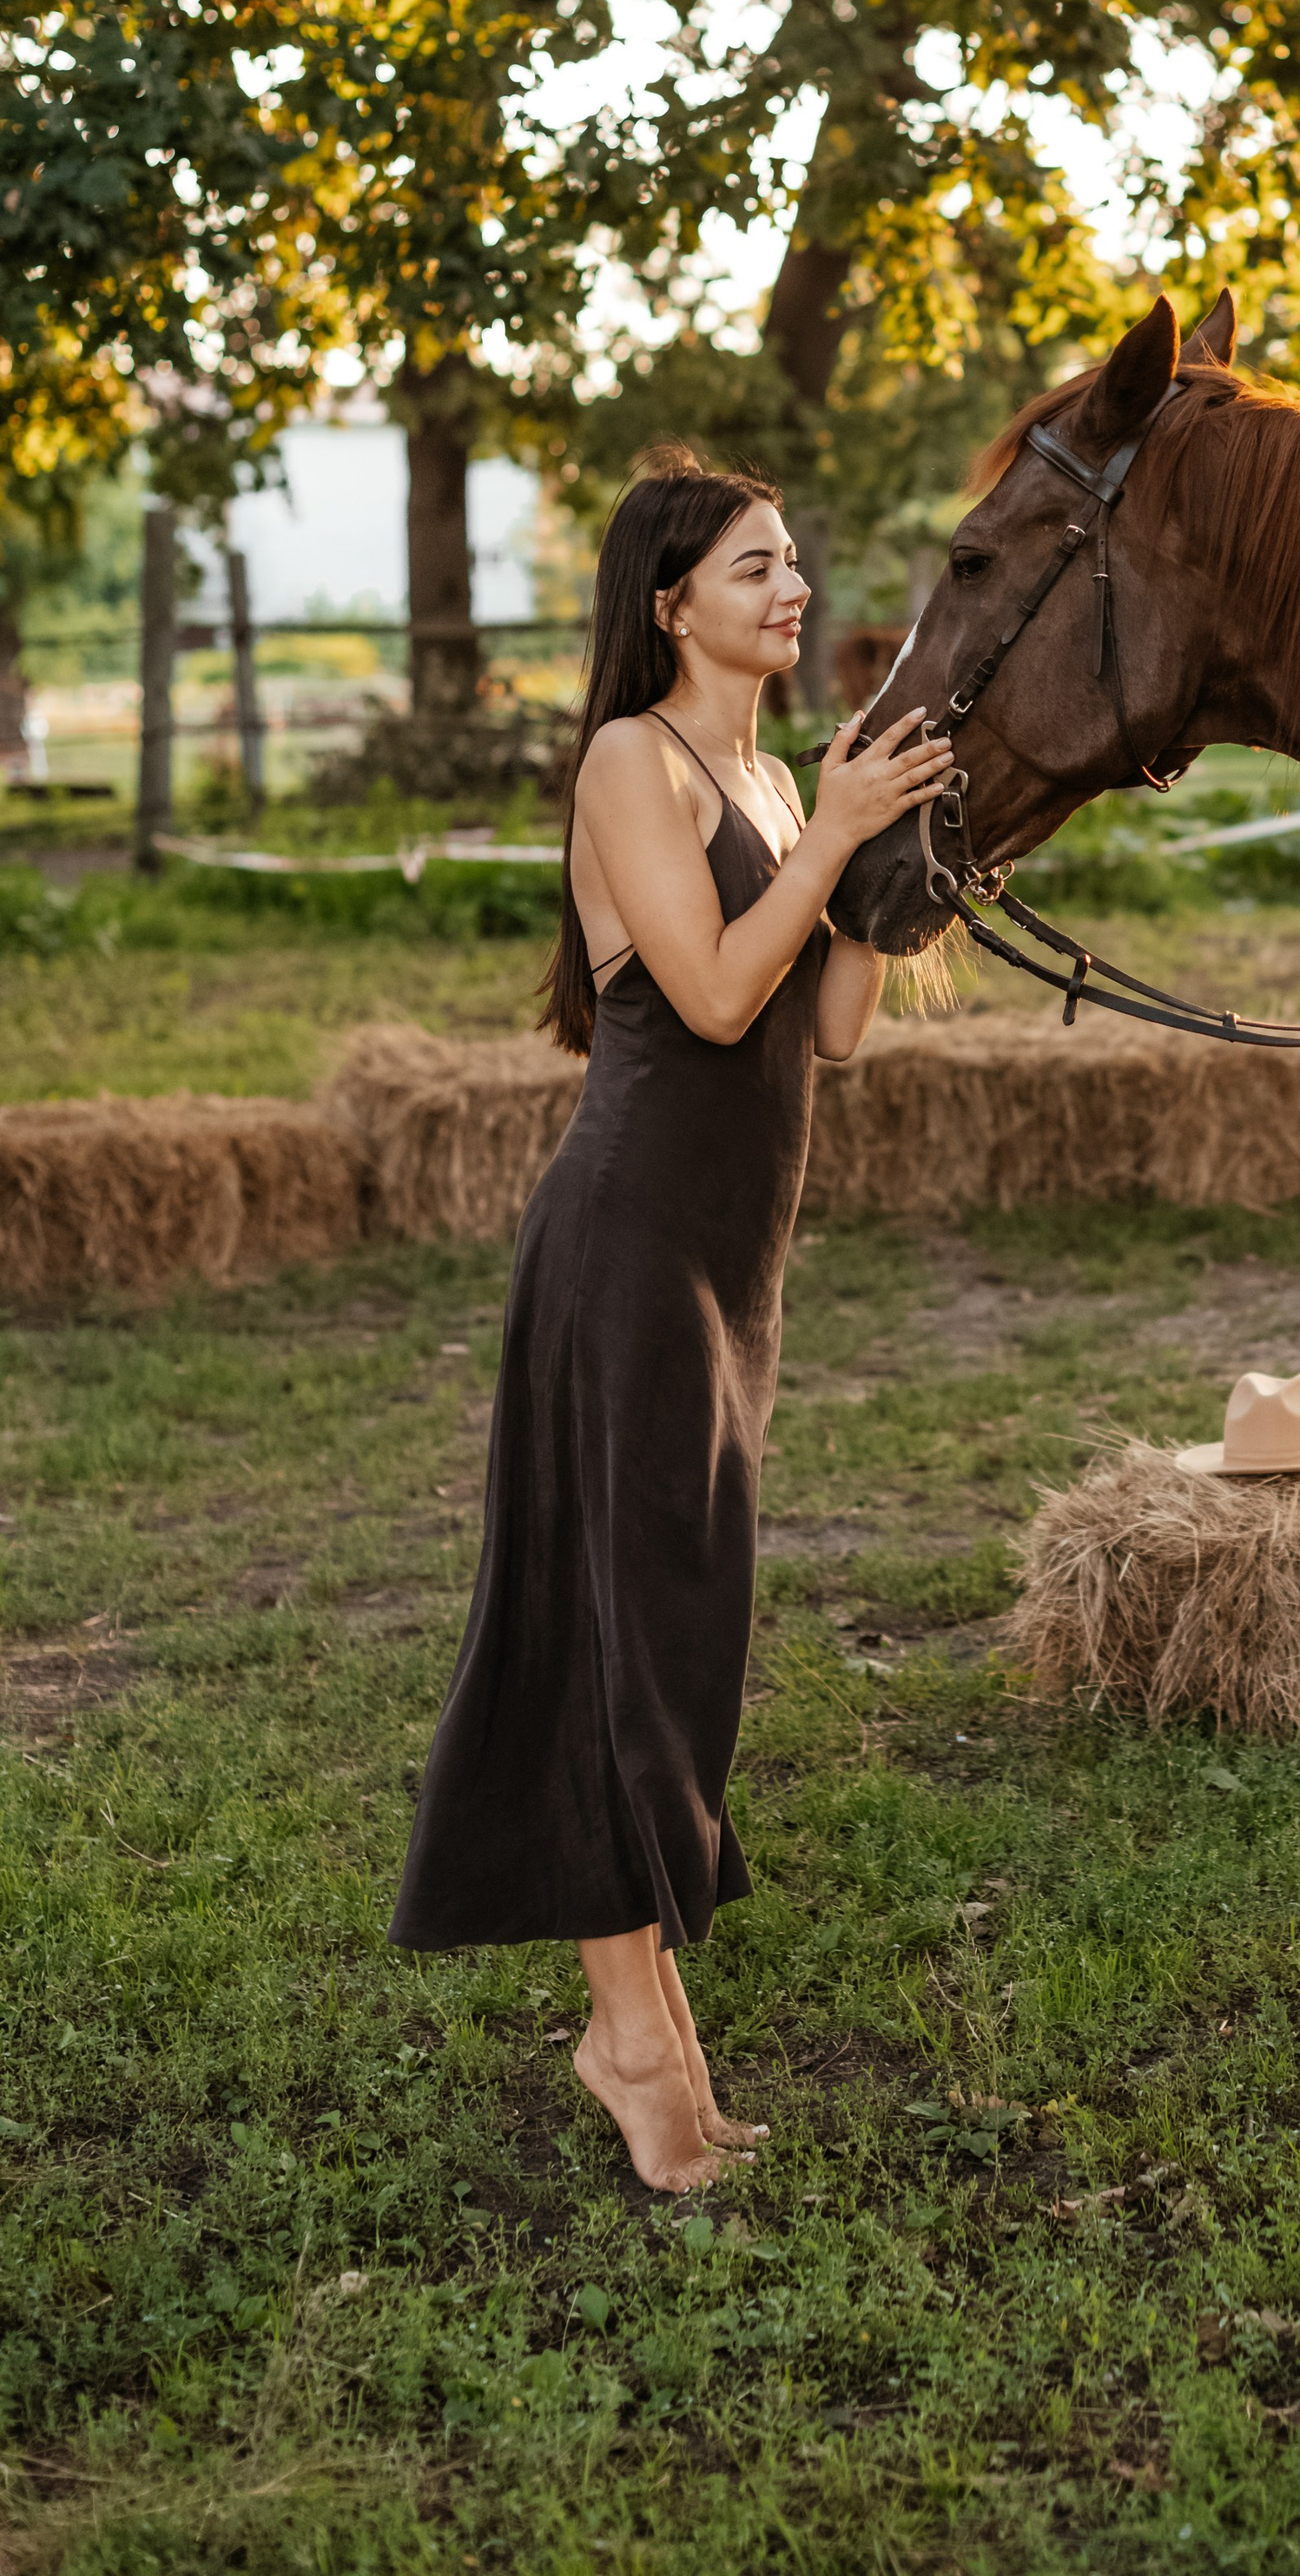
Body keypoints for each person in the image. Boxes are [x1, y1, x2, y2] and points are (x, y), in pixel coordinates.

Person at [388, 448, 951, 2191]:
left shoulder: (776, 776)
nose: (790, 591)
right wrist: (834, 842)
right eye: (755, 569)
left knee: (683, 1626)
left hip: (730, 1262)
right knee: (618, 1624)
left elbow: (829, 1025)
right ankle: (632, 2038)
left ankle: (651, 2029)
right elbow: (710, 996)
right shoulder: (633, 765)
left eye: (793, 562)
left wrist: (907, 866)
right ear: (668, 603)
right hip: (626, 1243)